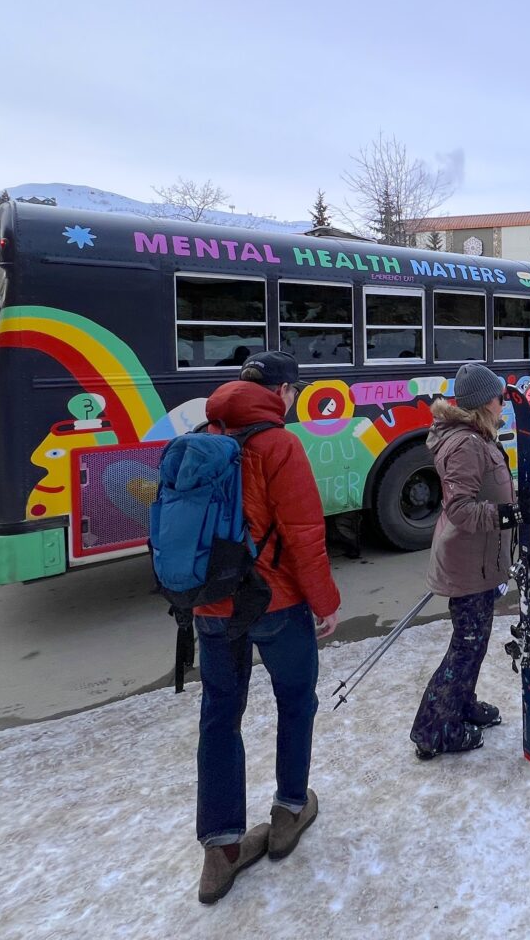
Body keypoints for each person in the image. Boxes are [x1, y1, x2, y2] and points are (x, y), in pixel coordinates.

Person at [194, 350, 340, 904]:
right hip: (274, 603)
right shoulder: (279, 444)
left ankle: (222, 850)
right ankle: (290, 809)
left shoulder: (204, 433)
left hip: (211, 606)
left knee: (220, 716)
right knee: (296, 699)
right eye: (294, 391)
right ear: (283, 391)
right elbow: (304, 533)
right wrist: (324, 602)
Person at [411, 363, 530, 760]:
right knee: (466, 646)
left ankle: (460, 704)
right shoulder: (466, 444)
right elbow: (462, 510)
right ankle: (432, 729)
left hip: (479, 562)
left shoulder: (475, 436)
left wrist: (517, 506)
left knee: (475, 642)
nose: (505, 403)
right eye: (501, 397)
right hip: (467, 564)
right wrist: (513, 515)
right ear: (487, 401)